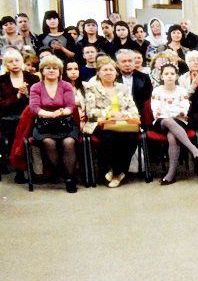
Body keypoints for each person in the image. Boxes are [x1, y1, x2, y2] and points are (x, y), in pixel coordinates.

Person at [83, 55, 140, 188]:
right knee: (110, 137)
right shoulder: (91, 88)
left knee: (132, 137)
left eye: (111, 70)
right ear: (98, 73)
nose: (108, 72)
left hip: (123, 122)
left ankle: (118, 172)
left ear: (116, 72)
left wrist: (122, 115)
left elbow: (133, 109)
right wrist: (109, 115)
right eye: (105, 70)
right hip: (101, 123)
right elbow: (90, 112)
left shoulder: (123, 88)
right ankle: (112, 171)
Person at [29, 55, 80, 192]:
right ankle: (62, 172)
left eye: (55, 68)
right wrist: (50, 114)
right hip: (43, 123)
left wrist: (62, 112)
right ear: (42, 71)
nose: (52, 70)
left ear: (60, 71)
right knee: (48, 142)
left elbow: (71, 106)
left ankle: (70, 179)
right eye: (48, 68)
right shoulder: (36, 87)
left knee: (69, 142)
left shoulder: (66, 85)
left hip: (65, 122)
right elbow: (34, 108)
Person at [149, 63, 198, 185]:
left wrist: (173, 114)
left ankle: (171, 174)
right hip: (161, 121)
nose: (169, 76)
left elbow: (184, 108)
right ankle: (192, 148)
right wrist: (171, 114)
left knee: (172, 137)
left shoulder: (182, 90)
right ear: (161, 76)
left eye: (172, 74)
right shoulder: (157, 91)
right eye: (166, 74)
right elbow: (156, 109)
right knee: (167, 120)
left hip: (179, 121)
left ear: (177, 76)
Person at [116, 49, 153, 116]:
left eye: (130, 61)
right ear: (117, 64)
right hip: (117, 113)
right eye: (124, 61)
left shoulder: (144, 78)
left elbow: (148, 100)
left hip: (140, 114)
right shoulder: (113, 78)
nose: (127, 64)